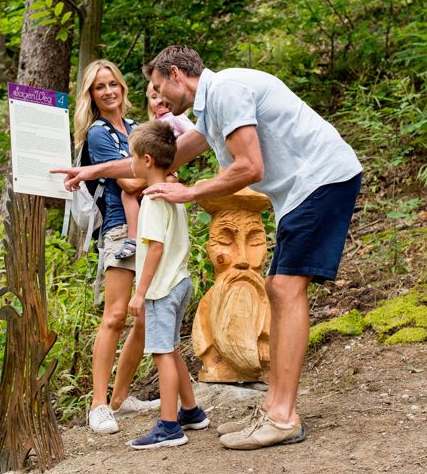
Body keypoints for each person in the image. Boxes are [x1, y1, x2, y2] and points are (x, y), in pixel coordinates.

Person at [53, 46, 362, 450]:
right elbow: (161, 161)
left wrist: (191, 191)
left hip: (320, 180)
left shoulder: (227, 92)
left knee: (286, 289)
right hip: (302, 190)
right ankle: (275, 409)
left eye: (160, 88)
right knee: (279, 288)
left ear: (177, 75)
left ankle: (283, 415)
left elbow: (250, 167)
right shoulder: (213, 105)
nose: (159, 99)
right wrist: (95, 170)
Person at [67, 59, 159, 434]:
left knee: (146, 316)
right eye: (99, 87)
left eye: (112, 84)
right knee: (115, 315)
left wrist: (149, 174)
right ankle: (98, 404)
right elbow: (132, 184)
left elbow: (155, 172)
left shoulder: (139, 128)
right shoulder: (98, 134)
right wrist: (152, 172)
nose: (108, 92)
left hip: (154, 226)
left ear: (122, 88)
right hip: (120, 230)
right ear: (91, 95)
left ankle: (120, 399)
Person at [126, 120, 209, 449]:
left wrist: (140, 293)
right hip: (180, 280)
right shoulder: (174, 193)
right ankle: (191, 411)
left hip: (161, 288)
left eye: (132, 157)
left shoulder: (152, 199)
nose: (129, 163)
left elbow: (155, 247)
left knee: (162, 353)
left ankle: (169, 425)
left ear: (146, 160)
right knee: (172, 349)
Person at [114, 82, 194, 260]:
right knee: (132, 196)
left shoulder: (175, 117)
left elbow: (195, 134)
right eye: (153, 97)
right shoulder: (155, 122)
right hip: (155, 170)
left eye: (162, 96)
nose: (159, 101)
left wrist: (174, 152)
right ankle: (136, 237)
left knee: (137, 196)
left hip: (167, 168)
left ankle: (135, 238)